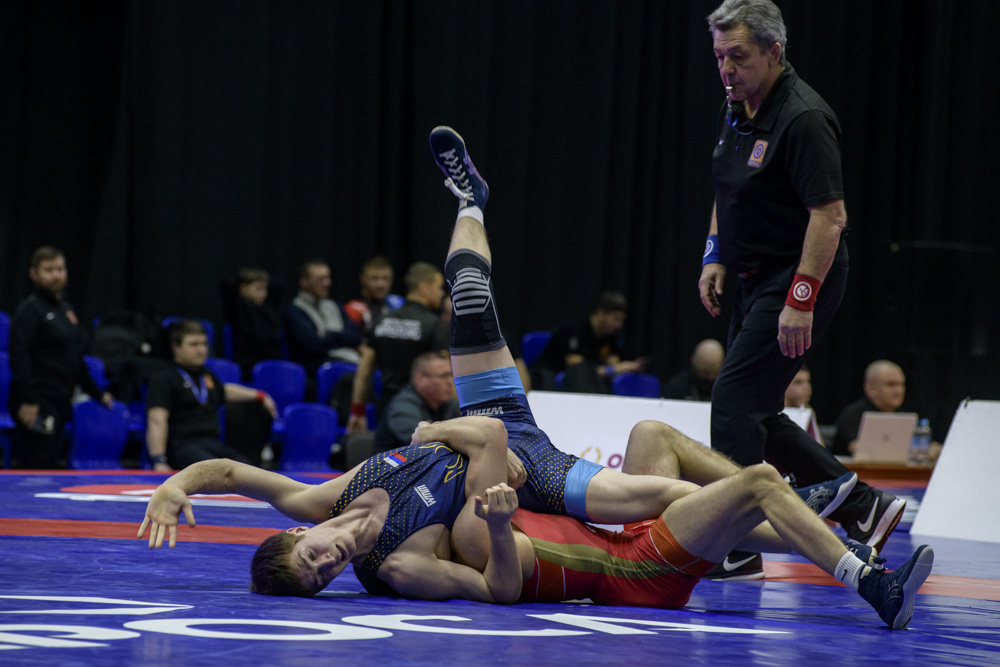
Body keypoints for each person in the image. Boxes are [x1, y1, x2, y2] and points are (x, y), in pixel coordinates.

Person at [137, 125, 934, 630]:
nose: (330, 559)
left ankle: (469, 200)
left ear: (295, 530)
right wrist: (445, 445)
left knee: (469, 292)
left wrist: (175, 485)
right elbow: (491, 522)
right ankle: (834, 533)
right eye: (324, 577)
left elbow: (231, 472)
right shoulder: (400, 561)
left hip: (505, 447)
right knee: (672, 495)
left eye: (313, 554)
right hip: (536, 474)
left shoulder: (324, 495)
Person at [696, 0, 904, 577]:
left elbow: (830, 217)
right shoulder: (735, 105)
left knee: (733, 401)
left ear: (774, 52)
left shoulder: (804, 117)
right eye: (719, 56)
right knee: (755, 409)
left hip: (797, 277)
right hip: (751, 275)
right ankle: (863, 507)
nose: (726, 69)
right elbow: (726, 189)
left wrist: (800, 299)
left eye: (738, 57)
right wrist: (715, 253)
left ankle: (736, 546)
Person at [7, 246, 113, 468]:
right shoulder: (30, 310)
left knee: (53, 462)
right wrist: (29, 399)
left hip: (61, 400)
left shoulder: (66, 310)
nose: (56, 275)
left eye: (60, 269)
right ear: (34, 274)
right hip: (38, 401)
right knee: (35, 465)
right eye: (49, 270)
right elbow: (19, 355)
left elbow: (75, 357)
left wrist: (97, 393)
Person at [145, 320, 278, 472]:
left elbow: (223, 391)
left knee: (249, 471)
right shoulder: (164, 378)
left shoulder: (206, 375)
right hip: (183, 447)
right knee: (219, 472)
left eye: (204, 344)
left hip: (213, 444)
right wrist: (159, 460)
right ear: (176, 347)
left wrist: (260, 395)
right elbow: (156, 418)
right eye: (193, 344)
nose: (201, 350)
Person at [347, 262, 449, 433]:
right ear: (424, 288)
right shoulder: (436, 326)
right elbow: (446, 374)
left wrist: (357, 411)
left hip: (385, 409)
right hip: (421, 412)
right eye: (439, 287)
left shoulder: (382, 321)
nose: (441, 293)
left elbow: (364, 371)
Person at [534, 290, 647, 394]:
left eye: (621, 321)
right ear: (600, 312)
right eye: (615, 319)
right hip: (552, 380)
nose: (618, 325)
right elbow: (578, 370)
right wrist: (616, 368)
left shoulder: (610, 336)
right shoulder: (574, 330)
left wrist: (630, 367)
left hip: (588, 383)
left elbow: (613, 363)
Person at [285, 259, 363, 379]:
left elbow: (355, 336)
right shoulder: (295, 310)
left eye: (328, 278)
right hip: (315, 370)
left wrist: (328, 334)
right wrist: (342, 338)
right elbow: (314, 345)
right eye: (320, 279)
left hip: (347, 361)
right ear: (304, 282)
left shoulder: (335, 306)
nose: (327, 283)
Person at [373, 351, 460, 453]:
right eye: (443, 376)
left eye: (451, 375)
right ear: (420, 379)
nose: (451, 381)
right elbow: (425, 443)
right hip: (396, 462)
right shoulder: (402, 407)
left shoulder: (449, 404)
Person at [222, 267, 283, 382]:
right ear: (243, 288)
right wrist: (247, 283)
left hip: (272, 363)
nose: (264, 294)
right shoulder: (237, 309)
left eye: (265, 289)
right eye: (258, 289)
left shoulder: (268, 310)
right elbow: (226, 283)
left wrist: (262, 279)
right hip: (249, 366)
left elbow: (279, 285)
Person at [344, 255, 405, 332]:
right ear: (363, 279)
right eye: (374, 278)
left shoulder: (400, 304)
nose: (381, 285)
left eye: (385, 278)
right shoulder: (352, 308)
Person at [783, 365, 824, 446]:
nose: (807, 388)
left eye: (808, 381)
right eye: (798, 382)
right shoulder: (771, 414)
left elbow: (819, 448)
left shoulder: (807, 410)